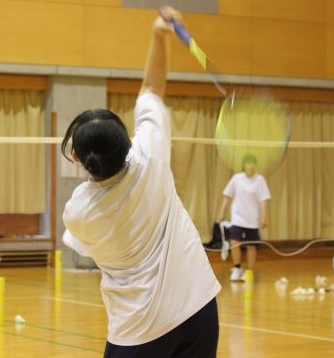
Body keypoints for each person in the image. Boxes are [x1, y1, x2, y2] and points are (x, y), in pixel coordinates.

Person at [61, 6, 221, 358]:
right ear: (127, 142)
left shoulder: (78, 212)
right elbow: (151, 88)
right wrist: (158, 34)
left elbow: (84, 247)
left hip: (140, 332)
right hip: (198, 310)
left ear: (78, 158)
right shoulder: (152, 155)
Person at [217, 153, 271, 281]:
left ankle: (249, 272)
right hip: (238, 218)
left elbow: (263, 200)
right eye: (248, 162)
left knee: (251, 246)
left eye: (253, 163)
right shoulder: (236, 178)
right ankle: (237, 268)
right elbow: (227, 196)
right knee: (234, 242)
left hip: (252, 219)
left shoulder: (260, 180)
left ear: (256, 165)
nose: (250, 165)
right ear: (243, 165)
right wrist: (221, 213)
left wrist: (264, 217)